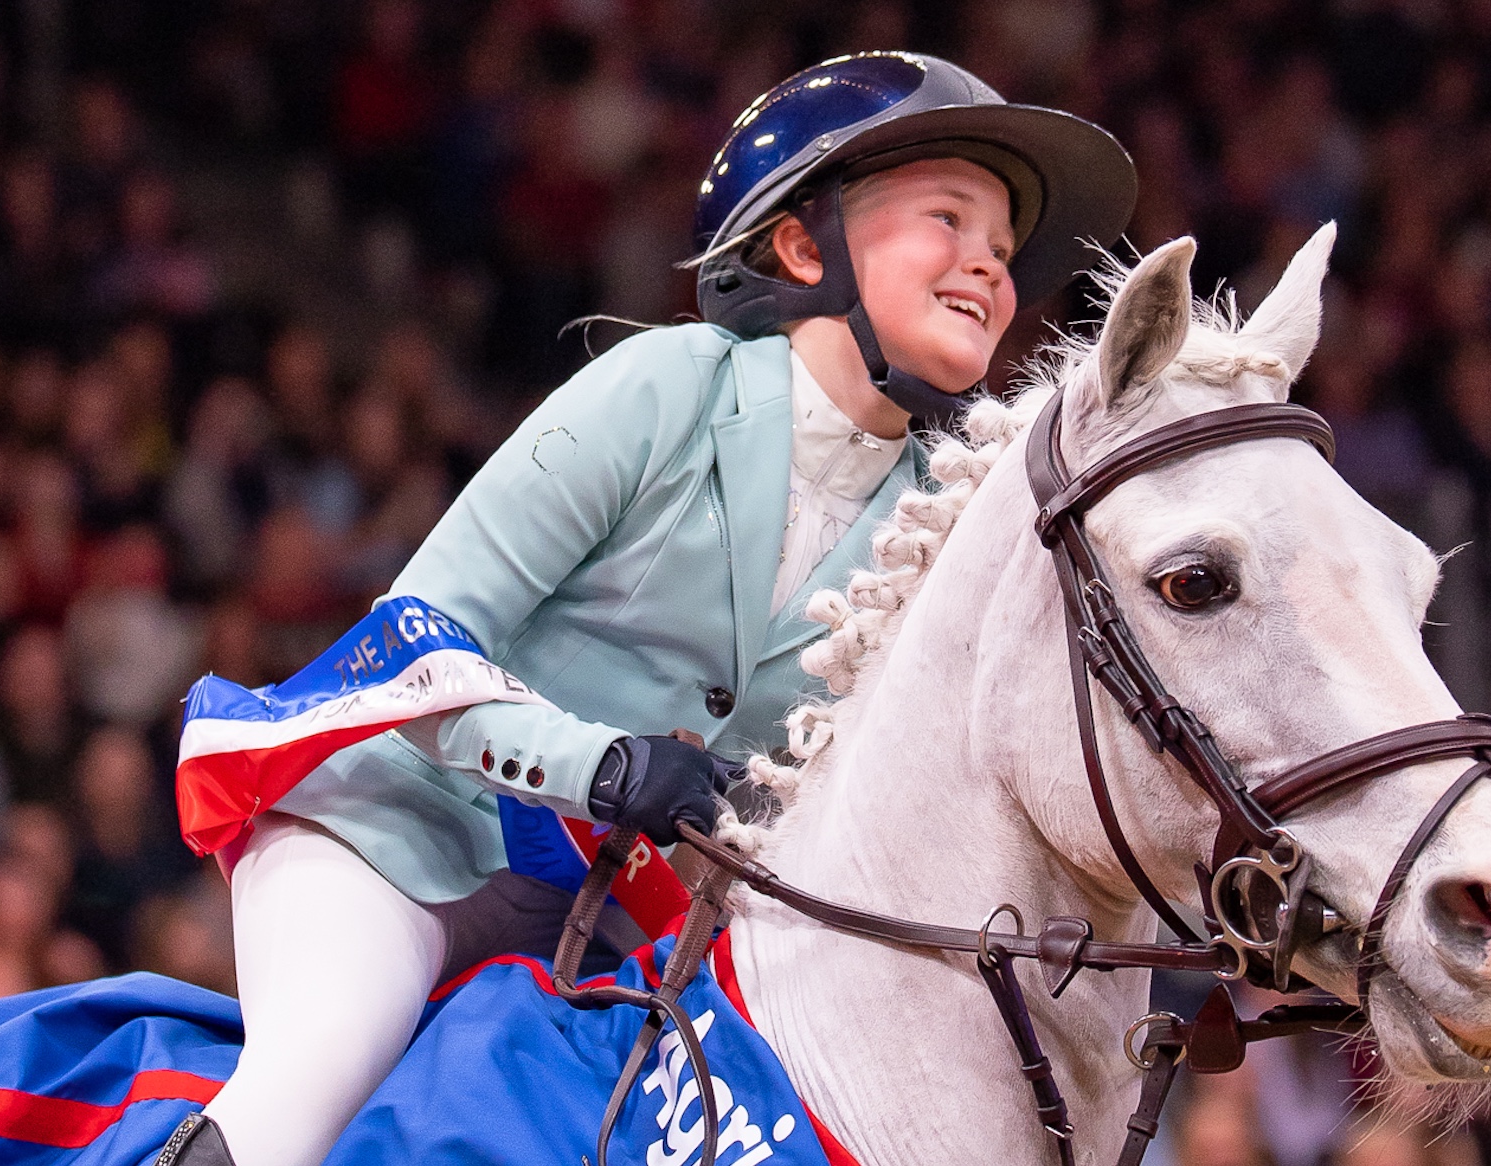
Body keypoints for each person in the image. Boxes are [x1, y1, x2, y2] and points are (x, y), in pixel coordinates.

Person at [159, 52, 1136, 1166]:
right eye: (949, 220)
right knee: (305, 1097)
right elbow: (415, 641)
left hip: (633, 937)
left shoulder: (937, 524)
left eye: (1004, 252)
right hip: (398, 839)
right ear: (803, 245)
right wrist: (604, 766)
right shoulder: (669, 383)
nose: (989, 268)